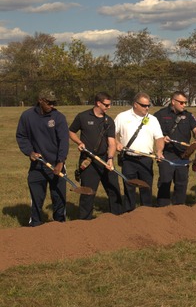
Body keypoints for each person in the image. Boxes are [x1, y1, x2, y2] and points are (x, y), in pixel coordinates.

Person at [16, 89, 69, 227]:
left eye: (54, 103)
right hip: (37, 166)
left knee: (59, 198)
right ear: (40, 101)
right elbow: (22, 136)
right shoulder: (27, 116)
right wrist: (30, 152)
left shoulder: (58, 117)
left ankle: (60, 225)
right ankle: (36, 226)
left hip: (56, 165)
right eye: (49, 103)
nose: (52, 105)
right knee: (37, 199)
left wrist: (60, 162)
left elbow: (64, 141)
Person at [69, 92, 123, 220]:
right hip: (88, 160)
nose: (109, 107)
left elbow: (111, 142)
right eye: (106, 105)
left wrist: (110, 159)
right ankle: (85, 221)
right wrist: (79, 142)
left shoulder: (108, 121)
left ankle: (118, 218)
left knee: (114, 188)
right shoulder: (82, 117)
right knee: (88, 192)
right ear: (98, 103)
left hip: (104, 159)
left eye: (110, 105)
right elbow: (71, 131)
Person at [115, 92, 164, 210]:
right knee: (129, 188)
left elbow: (159, 138)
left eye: (148, 105)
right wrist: (117, 143)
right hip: (128, 159)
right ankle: (129, 213)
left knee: (146, 188)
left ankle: (146, 213)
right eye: (143, 105)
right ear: (135, 104)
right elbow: (112, 133)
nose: (147, 108)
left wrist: (159, 151)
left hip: (146, 159)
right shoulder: (122, 117)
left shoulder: (153, 119)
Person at [154, 91, 196, 206]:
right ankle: (162, 207)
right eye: (181, 102)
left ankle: (179, 207)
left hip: (183, 155)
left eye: (185, 102)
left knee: (181, 182)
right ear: (173, 102)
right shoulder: (160, 115)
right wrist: (161, 138)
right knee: (165, 181)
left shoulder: (188, 115)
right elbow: (151, 131)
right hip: (167, 153)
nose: (184, 105)